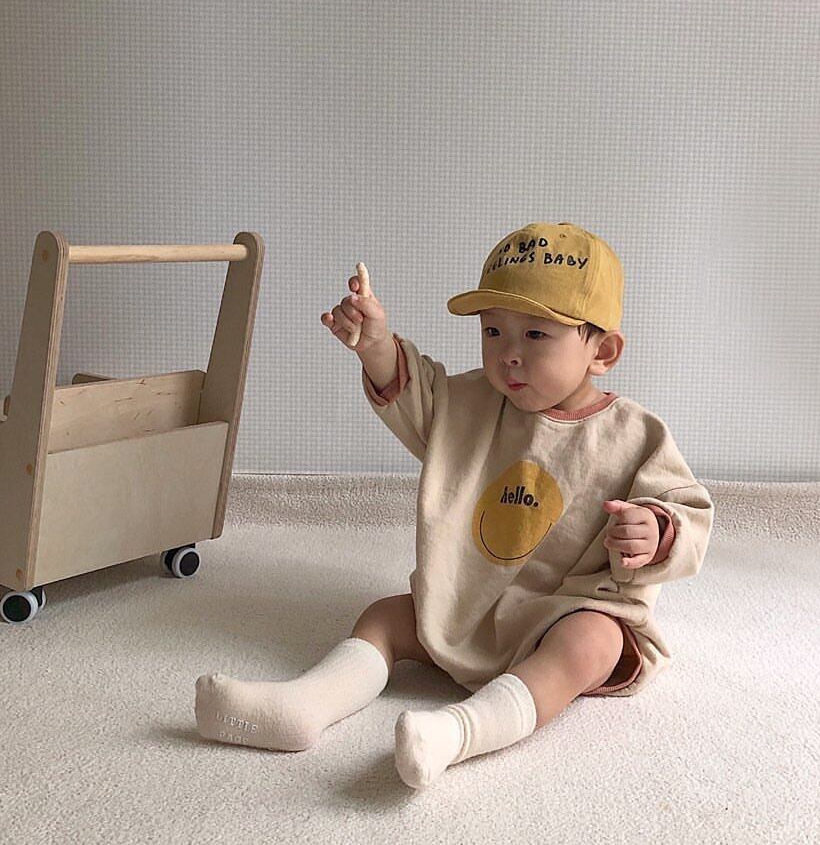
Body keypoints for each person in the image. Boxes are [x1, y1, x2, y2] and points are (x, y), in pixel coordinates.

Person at [194, 220, 715, 790]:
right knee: (387, 617)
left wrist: (657, 530)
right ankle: (305, 705)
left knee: (594, 641)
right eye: (493, 332)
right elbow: (418, 394)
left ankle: (458, 732)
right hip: (472, 603)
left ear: (603, 350)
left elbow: (687, 509)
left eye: (536, 335)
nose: (509, 355)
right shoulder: (472, 404)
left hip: (565, 611)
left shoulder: (635, 434)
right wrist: (375, 345)